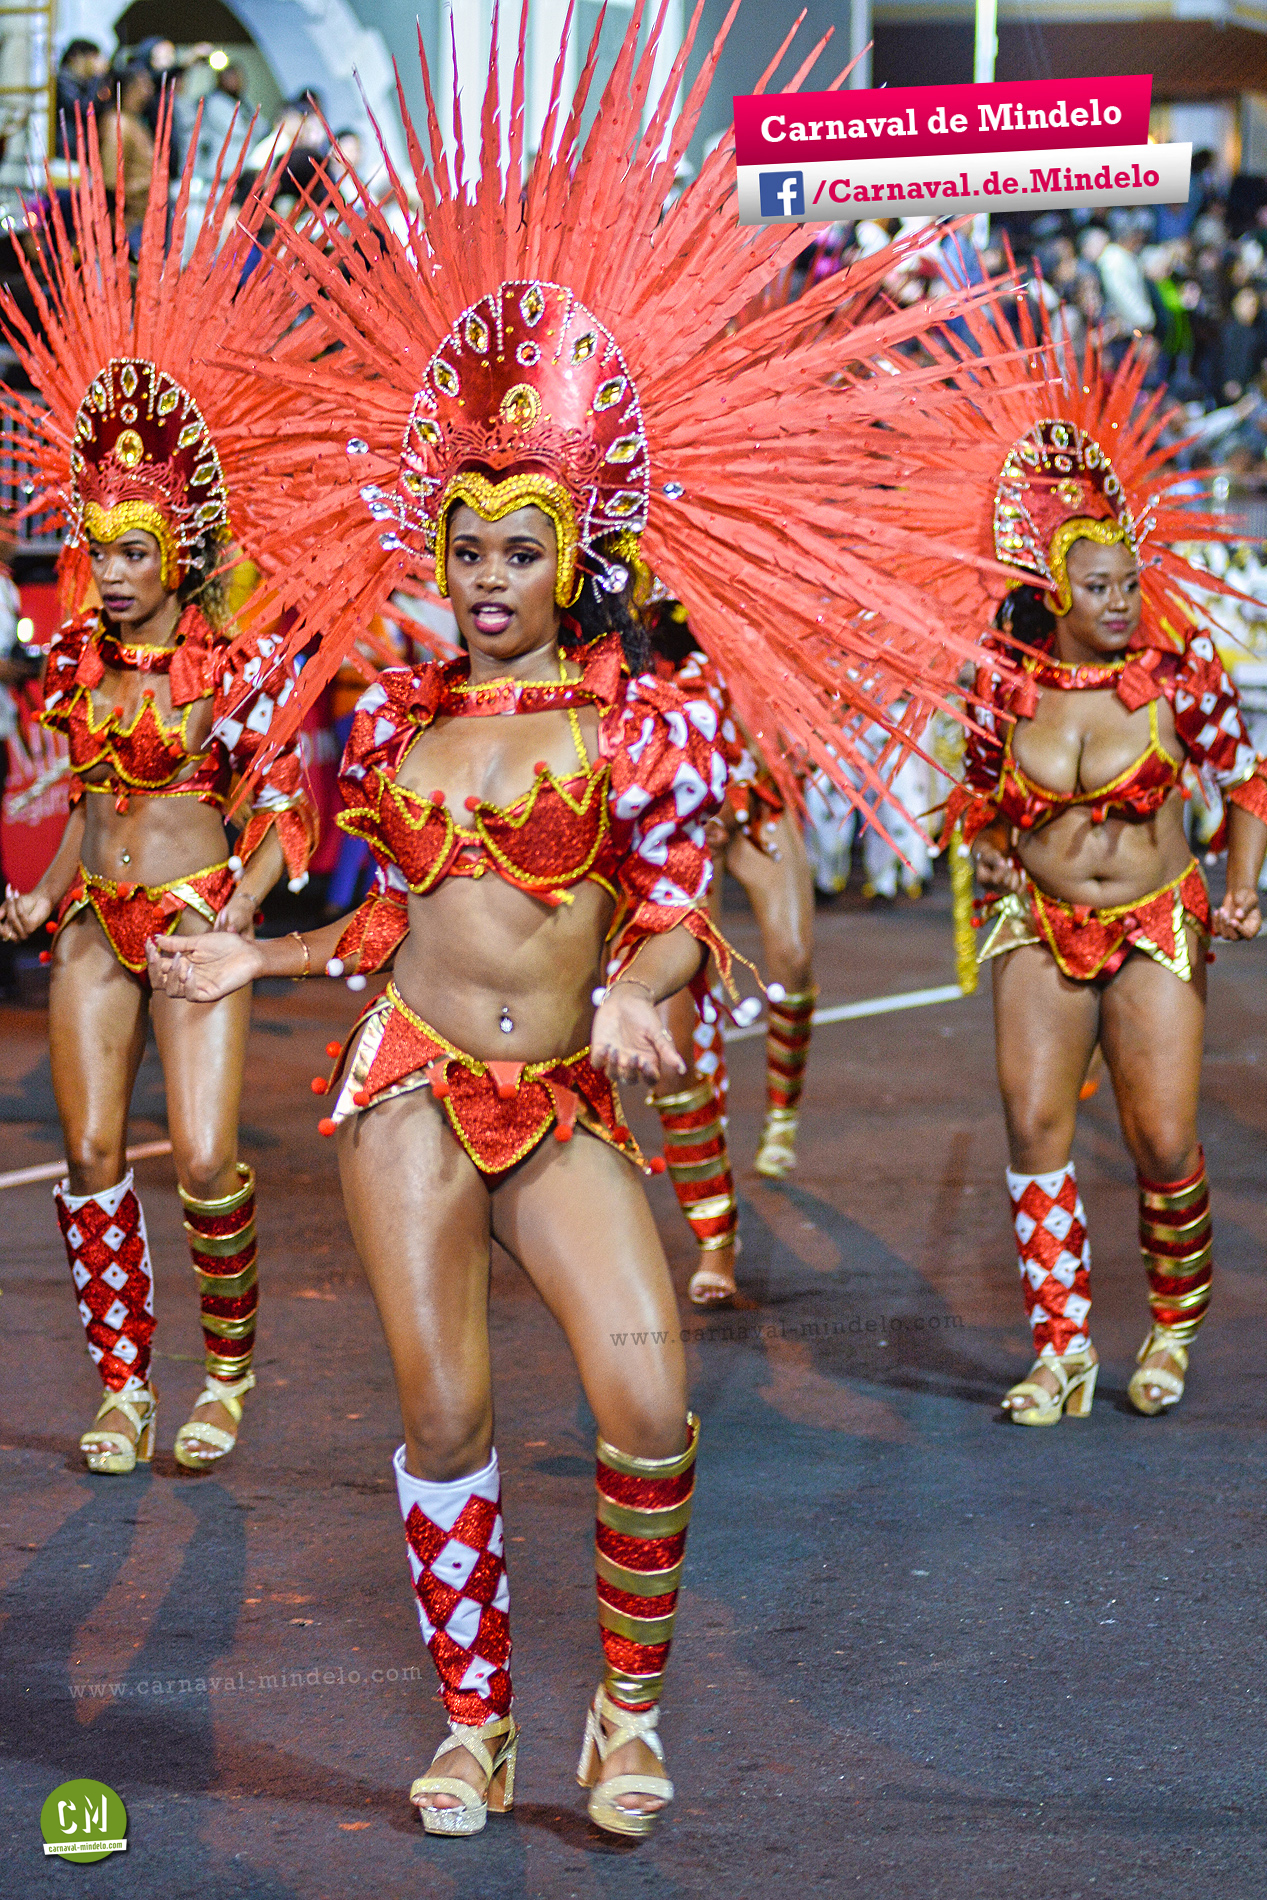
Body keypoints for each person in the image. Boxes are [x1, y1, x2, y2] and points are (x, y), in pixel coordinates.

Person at [146, 5, 1009, 1839]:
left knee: (644, 1397)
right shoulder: (396, 723)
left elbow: (679, 915)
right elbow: (389, 927)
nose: (484, 579)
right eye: (462, 548)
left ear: (573, 554)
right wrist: (258, 955)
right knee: (446, 1417)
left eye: (515, 550)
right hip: (406, 1087)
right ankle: (477, 1729)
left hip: (562, 1102)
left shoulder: (644, 722)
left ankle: (623, 1716)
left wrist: (638, 985)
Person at [0, 107, 320, 1475]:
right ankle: (126, 1385)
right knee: (87, 1151)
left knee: (198, 1157)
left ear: (179, 550)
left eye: (135, 549)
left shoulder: (230, 664)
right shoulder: (77, 658)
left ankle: (226, 1373)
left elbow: (285, 812)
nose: (113, 570)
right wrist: (41, 900)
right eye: (98, 544)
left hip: (194, 917)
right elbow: (88, 812)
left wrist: (238, 918)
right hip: (95, 921)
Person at [937, 320, 1267, 1424]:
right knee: (1034, 1128)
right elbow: (976, 799)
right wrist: (991, 849)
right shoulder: (1003, 684)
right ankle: (1062, 1349)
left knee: (1160, 1139)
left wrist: (1240, 886)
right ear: (1053, 588)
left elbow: (1248, 779)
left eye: (1130, 581)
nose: (1123, 600)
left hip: (1154, 919)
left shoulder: (1179, 675)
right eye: (1100, 586)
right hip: (1039, 923)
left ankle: (1170, 1327)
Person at [644, 599, 816, 1306]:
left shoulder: (737, 595)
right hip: (674, 828)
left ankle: (782, 1114)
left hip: (754, 803)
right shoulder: (615, 623)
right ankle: (716, 1234)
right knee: (686, 1028)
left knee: (793, 958)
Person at [98, 61, 156, 239]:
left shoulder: (134, 120)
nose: (149, 89)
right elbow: (110, 178)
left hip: (146, 214)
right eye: (144, 83)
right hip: (130, 219)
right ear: (130, 88)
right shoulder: (119, 123)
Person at [55, 39, 107, 156]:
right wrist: (98, 78)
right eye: (93, 57)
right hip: (66, 149)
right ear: (77, 57)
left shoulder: (86, 83)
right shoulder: (62, 82)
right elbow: (82, 108)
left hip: (82, 148)